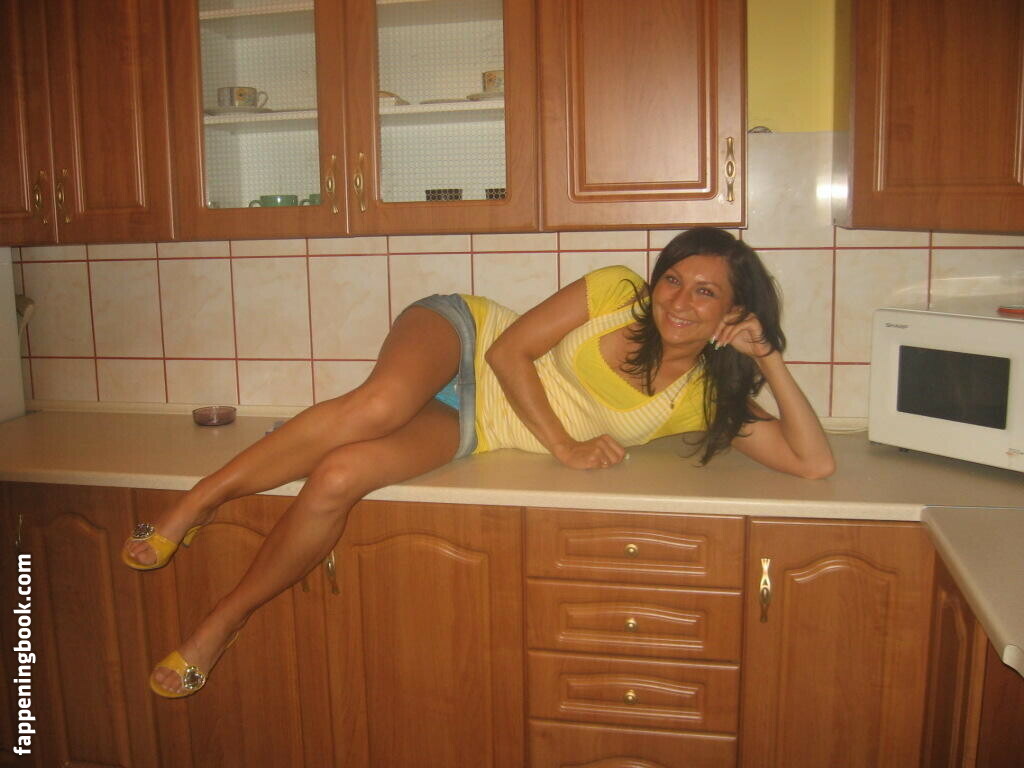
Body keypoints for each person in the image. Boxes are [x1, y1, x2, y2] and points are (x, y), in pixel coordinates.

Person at [123, 226, 834, 698]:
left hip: (474, 425)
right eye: (673, 280)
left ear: (732, 313)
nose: (678, 300)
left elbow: (812, 464)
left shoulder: (700, 395)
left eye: (705, 292)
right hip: (463, 336)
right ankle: (198, 502)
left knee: (339, 476)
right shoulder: (618, 292)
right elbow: (506, 351)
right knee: (379, 405)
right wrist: (564, 446)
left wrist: (768, 355)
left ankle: (221, 623)